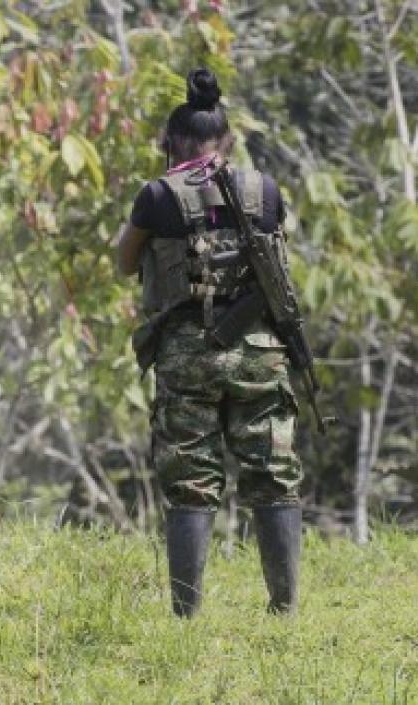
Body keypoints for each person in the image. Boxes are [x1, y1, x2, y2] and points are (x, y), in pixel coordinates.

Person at [114, 69, 303, 617]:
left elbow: (125, 263)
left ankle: (186, 614)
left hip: (186, 353)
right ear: (228, 142)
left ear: (171, 143)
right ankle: (284, 608)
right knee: (273, 472)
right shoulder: (264, 188)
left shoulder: (156, 195)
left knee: (191, 477)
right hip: (260, 352)